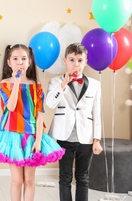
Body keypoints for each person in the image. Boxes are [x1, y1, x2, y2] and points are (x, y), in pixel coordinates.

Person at [0, 44, 65, 201]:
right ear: (9, 62)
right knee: (17, 180)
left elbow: (40, 115)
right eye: (15, 59)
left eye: (23, 58)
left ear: (30, 61)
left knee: (29, 180)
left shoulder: (36, 86)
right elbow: (11, 106)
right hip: (12, 136)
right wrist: (17, 81)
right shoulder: (5, 84)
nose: (19, 62)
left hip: (32, 135)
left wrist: (39, 140)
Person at [46, 42, 103, 201]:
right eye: (71, 60)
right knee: (64, 178)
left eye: (79, 60)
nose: (75, 64)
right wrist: (63, 84)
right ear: (65, 61)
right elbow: (50, 104)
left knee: (83, 178)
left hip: (86, 136)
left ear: (85, 61)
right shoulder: (55, 82)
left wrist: (96, 139)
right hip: (63, 136)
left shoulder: (95, 85)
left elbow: (97, 113)